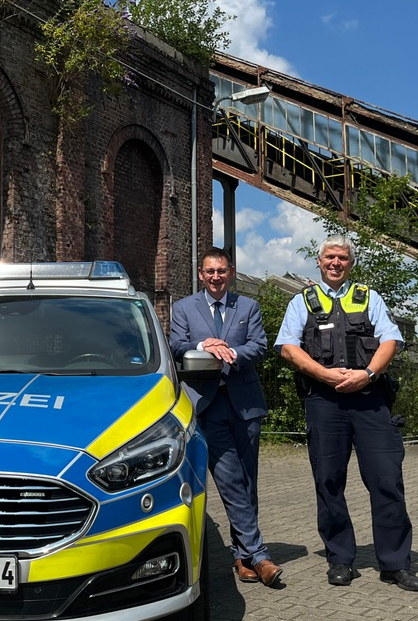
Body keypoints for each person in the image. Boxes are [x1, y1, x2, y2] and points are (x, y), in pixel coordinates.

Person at [273, 234, 418, 592]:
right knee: (328, 481)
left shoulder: (369, 298)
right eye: (330, 257)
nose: (335, 263)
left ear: (350, 263)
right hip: (324, 403)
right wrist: (325, 374)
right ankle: (340, 559)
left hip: (371, 400)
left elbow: (391, 340)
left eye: (342, 257)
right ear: (320, 261)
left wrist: (368, 373)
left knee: (387, 480)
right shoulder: (302, 302)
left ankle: (395, 564)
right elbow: (287, 348)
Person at [170, 247, 283, 587]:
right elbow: (176, 345)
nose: (216, 277)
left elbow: (260, 346)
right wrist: (205, 345)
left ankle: (242, 555)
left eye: (222, 271)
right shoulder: (182, 308)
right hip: (208, 404)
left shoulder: (248, 306)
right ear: (201, 275)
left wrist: (230, 351)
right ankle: (260, 555)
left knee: (248, 480)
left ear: (230, 272)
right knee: (231, 478)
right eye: (210, 271)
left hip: (246, 404)